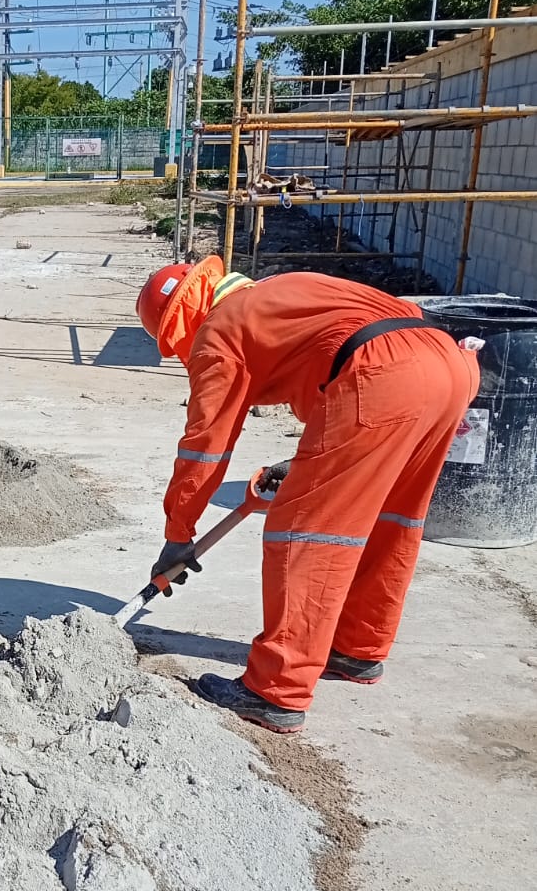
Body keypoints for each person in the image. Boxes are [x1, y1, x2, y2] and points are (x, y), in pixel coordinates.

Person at [135, 254, 480, 733]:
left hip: (386, 373)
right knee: (393, 517)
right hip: (449, 365)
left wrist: (179, 534)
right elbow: (342, 372)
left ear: (180, 326)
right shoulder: (282, 294)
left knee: (306, 531)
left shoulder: (219, 330)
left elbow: (206, 448)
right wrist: (299, 464)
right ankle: (358, 648)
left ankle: (276, 690)